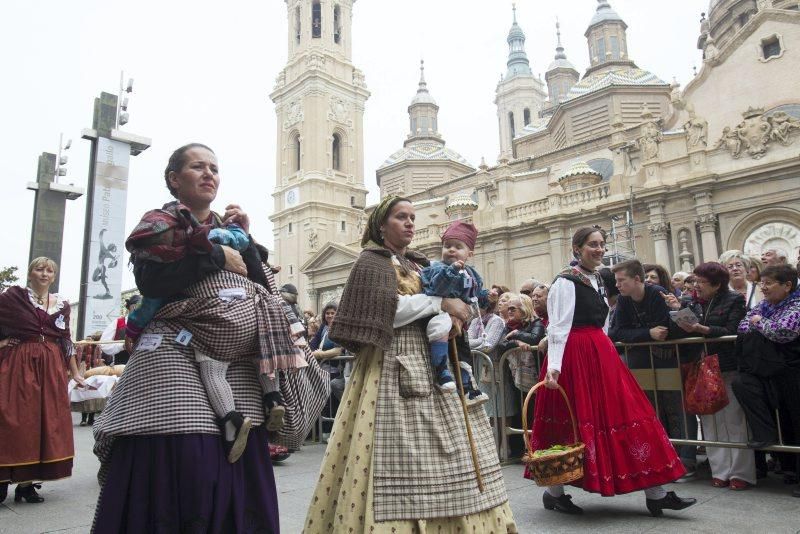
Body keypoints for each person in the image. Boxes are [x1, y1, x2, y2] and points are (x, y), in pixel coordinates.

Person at [91, 143, 280, 532]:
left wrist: (244, 238)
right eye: (198, 167)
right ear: (175, 180)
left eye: (214, 167)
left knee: (242, 461)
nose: (209, 173)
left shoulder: (233, 232)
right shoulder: (159, 224)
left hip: (237, 361)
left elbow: (264, 287)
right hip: (172, 351)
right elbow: (151, 279)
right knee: (188, 452)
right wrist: (215, 257)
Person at [304, 195, 516, 532]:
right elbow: (390, 310)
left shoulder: (418, 263)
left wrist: (455, 303)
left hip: (430, 364)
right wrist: (440, 302)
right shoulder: (371, 263)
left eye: (413, 218)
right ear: (381, 224)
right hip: (389, 363)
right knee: (394, 453)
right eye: (401, 217)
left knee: (449, 452)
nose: (410, 224)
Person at [526, 227, 695, 517]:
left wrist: (607, 349)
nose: (600, 249)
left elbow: (603, 323)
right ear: (576, 248)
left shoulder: (599, 279)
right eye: (593, 245)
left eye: (602, 244)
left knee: (630, 415)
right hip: (574, 356)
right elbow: (558, 327)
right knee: (573, 422)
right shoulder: (565, 282)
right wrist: (553, 367)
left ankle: (657, 492)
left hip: (600, 353)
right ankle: (555, 492)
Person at [124, 219, 301, 462]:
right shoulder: (228, 237)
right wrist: (239, 229)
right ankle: (272, 396)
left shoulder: (184, 251)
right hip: (254, 311)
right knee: (261, 356)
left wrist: (132, 329)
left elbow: (149, 304)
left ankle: (230, 419)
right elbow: (246, 245)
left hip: (218, 317)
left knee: (213, 367)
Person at [0, 257, 85, 504]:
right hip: (18, 365)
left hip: (51, 369)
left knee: (44, 424)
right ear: (30, 274)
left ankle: (27, 485)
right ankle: (3, 480)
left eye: (49, 270)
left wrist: (75, 372)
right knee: (13, 422)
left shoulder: (62, 305)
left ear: (54, 276)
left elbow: (66, 340)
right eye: (39, 269)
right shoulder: (11, 298)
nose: (44, 274)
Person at [609, 259, 697, 478]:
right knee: (650, 409)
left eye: (621, 280)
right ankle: (658, 456)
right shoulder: (623, 300)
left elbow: (666, 329)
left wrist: (642, 333)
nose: (617, 285)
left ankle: (686, 458)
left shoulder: (657, 294)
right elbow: (616, 332)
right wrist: (647, 334)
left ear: (637, 279)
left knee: (676, 407)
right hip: (641, 362)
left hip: (668, 359)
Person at [674, 262, 752, 490]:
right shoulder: (693, 302)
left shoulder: (734, 300)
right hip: (701, 366)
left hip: (726, 365)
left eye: (701, 282)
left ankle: (740, 473)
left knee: (733, 419)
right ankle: (720, 470)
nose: (696, 286)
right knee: (710, 419)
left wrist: (702, 330)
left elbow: (733, 331)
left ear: (717, 284)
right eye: (695, 281)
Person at [733, 264, 800, 498]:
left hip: (794, 370)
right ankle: (787, 466)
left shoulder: (796, 305)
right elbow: (743, 325)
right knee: (744, 386)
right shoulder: (764, 305)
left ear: (787, 285)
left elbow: (784, 332)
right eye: (762, 282)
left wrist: (759, 322)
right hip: (770, 371)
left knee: (796, 419)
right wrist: (759, 321)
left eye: (769, 283)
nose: (764, 287)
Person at [420, 220, 484, 394]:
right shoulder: (437, 268)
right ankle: (442, 372)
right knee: (439, 330)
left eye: (458, 247)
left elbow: (475, 292)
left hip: (460, 321)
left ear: (469, 253)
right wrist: (452, 272)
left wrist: (486, 297)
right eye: (447, 246)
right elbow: (438, 288)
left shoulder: (471, 272)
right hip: (439, 314)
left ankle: (466, 383)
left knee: (463, 349)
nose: (451, 250)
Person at [468, 290, 510, 420]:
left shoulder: (496, 321)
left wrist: (473, 343)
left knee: (499, 406)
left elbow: (488, 345)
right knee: (486, 407)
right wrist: (478, 342)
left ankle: (503, 439)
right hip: (480, 367)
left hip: (494, 367)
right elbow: (468, 340)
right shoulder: (475, 322)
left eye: (475, 305)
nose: (472, 308)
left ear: (484, 306)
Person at [310, 302, 346, 404]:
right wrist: (311, 352)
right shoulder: (323, 327)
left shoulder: (340, 328)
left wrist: (319, 354)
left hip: (335, 370)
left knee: (331, 399)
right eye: (327, 313)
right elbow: (313, 344)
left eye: (332, 313)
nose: (329, 315)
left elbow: (338, 350)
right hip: (321, 369)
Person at [99, 294, 141, 365]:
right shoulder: (118, 323)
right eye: (135, 306)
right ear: (129, 307)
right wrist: (122, 346)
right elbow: (104, 344)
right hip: (121, 367)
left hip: (141, 365)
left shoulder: (147, 324)